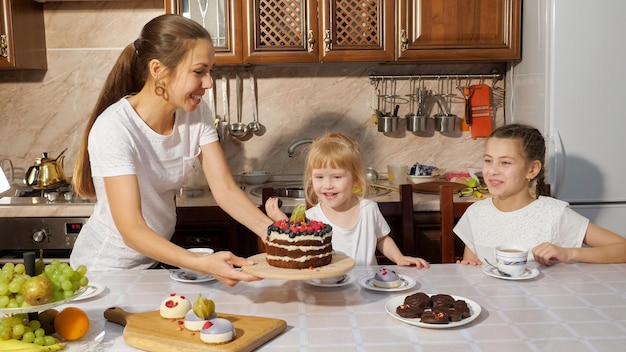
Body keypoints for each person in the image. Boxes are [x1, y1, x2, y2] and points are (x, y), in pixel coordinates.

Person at [70, 14, 272, 286]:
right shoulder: (114, 129)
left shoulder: (195, 114)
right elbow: (131, 230)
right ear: (158, 70)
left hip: (151, 263)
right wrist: (201, 263)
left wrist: (273, 231)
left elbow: (224, 188)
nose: (209, 83)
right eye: (199, 72)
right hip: (104, 271)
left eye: (209, 71)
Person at [454, 124, 626, 266]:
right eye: (488, 160)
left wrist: (568, 253)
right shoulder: (475, 213)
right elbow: (473, 268)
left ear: (532, 169)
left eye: (505, 162)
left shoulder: (554, 214)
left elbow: (622, 248)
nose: (492, 171)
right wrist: (469, 266)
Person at [265, 132, 430, 268]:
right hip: (328, 293)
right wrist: (283, 222)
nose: (327, 185)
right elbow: (298, 248)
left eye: (337, 177)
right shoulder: (311, 219)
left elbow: (381, 239)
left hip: (367, 289)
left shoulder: (369, 209)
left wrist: (399, 258)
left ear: (356, 179)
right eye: (319, 177)